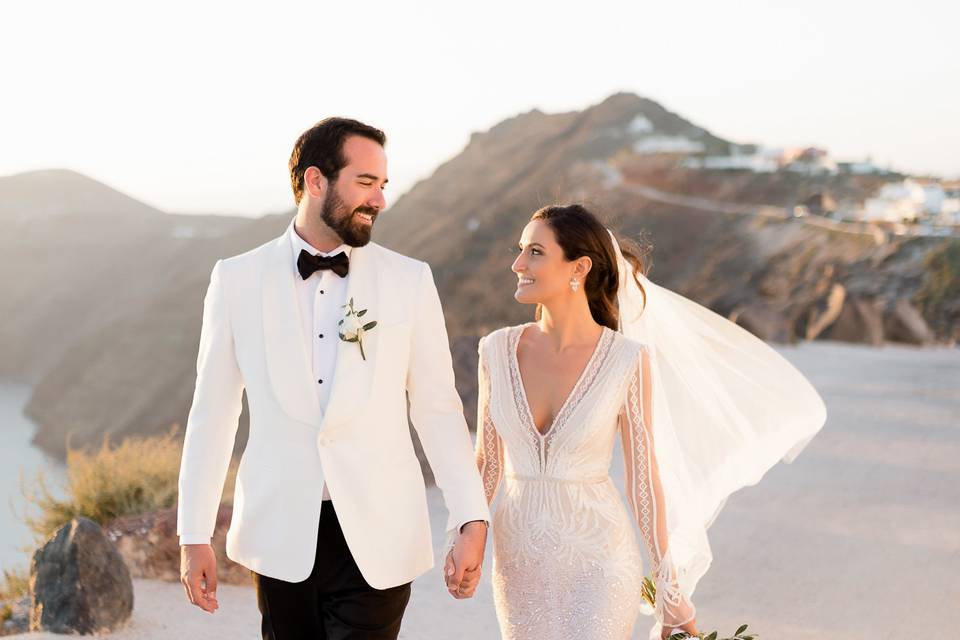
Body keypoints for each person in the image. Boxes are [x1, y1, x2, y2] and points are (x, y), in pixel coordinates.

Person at [177, 117, 490, 639]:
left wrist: (470, 516)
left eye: (383, 184)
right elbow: (213, 411)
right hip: (279, 533)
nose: (381, 200)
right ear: (315, 181)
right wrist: (194, 533)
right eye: (366, 183)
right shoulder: (236, 279)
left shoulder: (408, 280)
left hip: (380, 529)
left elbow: (436, 407)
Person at [472, 203, 827, 639]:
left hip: (600, 560)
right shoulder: (495, 351)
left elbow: (644, 478)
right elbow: (488, 461)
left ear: (578, 267)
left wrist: (668, 586)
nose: (517, 264)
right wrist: (465, 534)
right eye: (520, 249)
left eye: (535, 252)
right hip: (518, 562)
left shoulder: (626, 360)